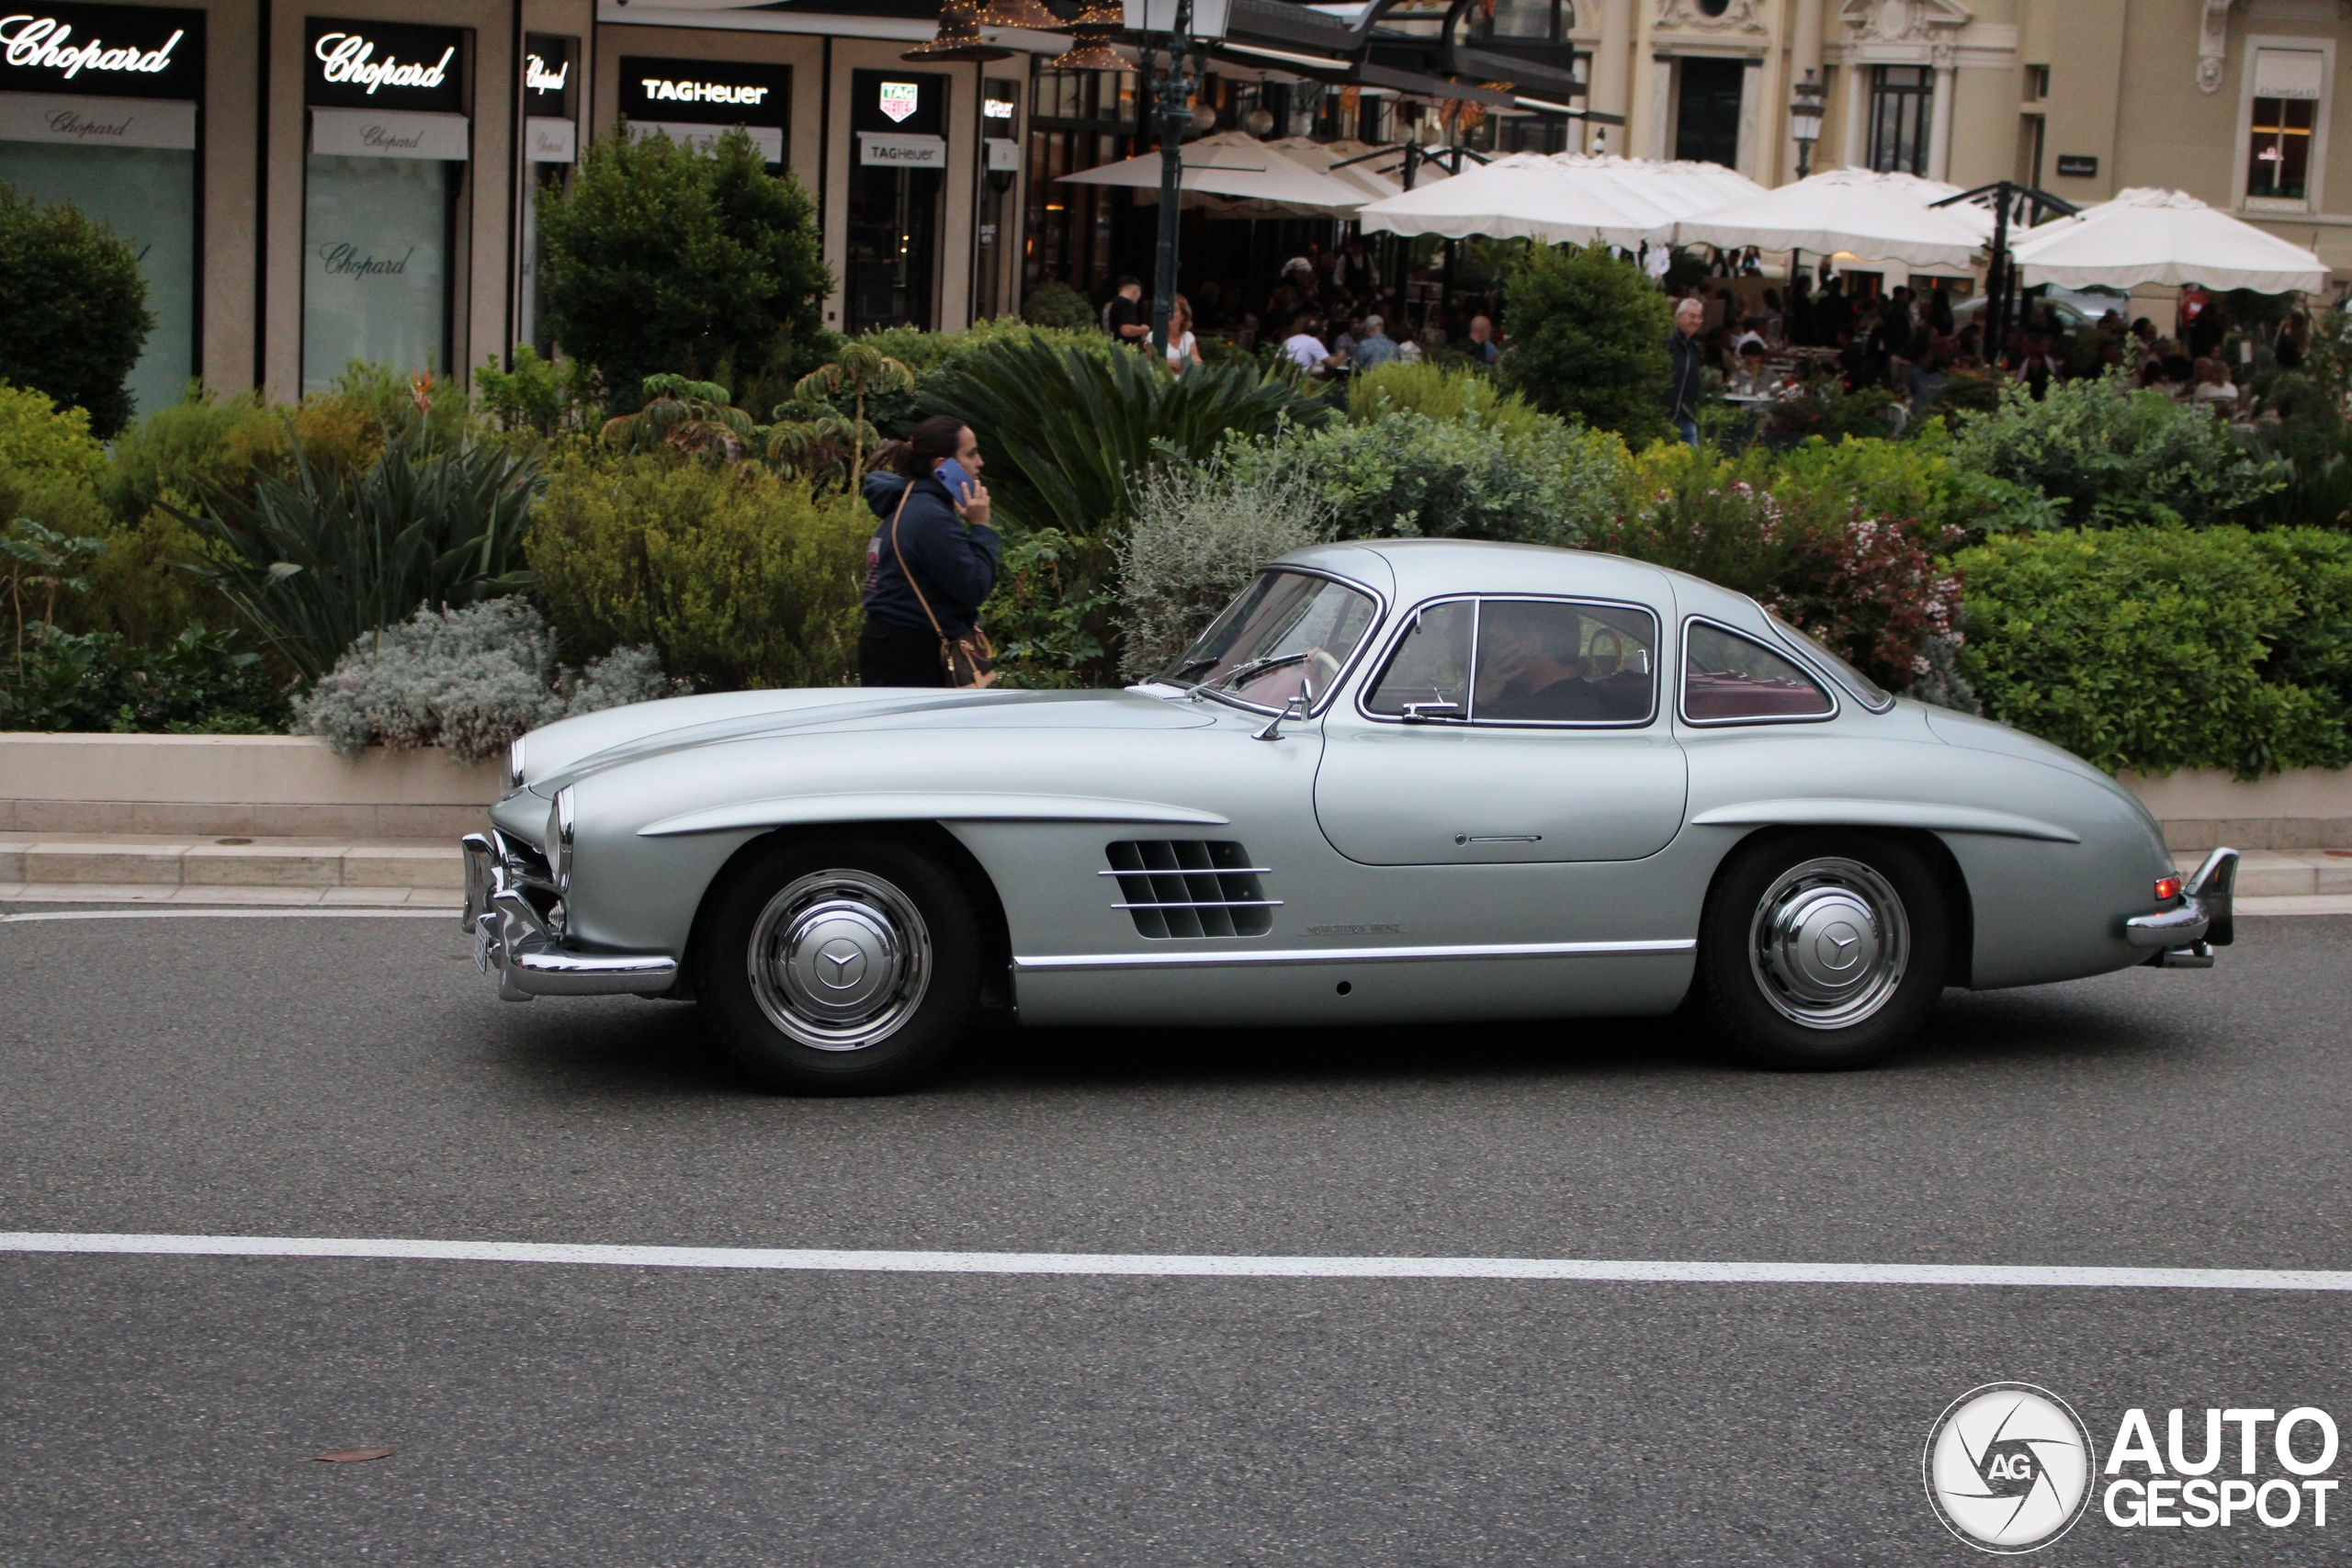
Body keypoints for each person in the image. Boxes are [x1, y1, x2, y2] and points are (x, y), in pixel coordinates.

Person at [858, 415, 1000, 688]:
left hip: (889, 648)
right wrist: (981, 528)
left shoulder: (908, 506)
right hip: (915, 659)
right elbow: (975, 588)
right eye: (971, 454)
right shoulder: (930, 518)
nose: (980, 462)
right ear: (943, 466)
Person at [1664, 297, 1705, 446]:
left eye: (1699, 317)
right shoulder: (1667, 342)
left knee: (1692, 465)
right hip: (1666, 416)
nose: (1695, 321)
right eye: (1692, 316)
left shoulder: (1693, 346)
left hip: (1687, 417)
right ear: (1679, 317)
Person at [1283, 311, 1347, 376]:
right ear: (1320, 332)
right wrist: (1340, 357)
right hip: (1300, 377)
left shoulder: (1290, 340)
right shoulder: (1313, 341)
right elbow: (1331, 364)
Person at [1163, 293, 1203, 376]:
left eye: (1174, 311)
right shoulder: (1154, 336)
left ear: (1183, 316)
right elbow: (1152, 362)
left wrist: (1174, 363)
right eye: (1167, 310)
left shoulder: (1188, 337)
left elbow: (1197, 362)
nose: (1169, 314)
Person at [1104, 276, 1148, 348]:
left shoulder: (1108, 304)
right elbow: (1126, 330)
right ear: (1135, 291)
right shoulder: (1127, 304)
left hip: (1107, 346)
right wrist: (1143, 329)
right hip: (1123, 350)